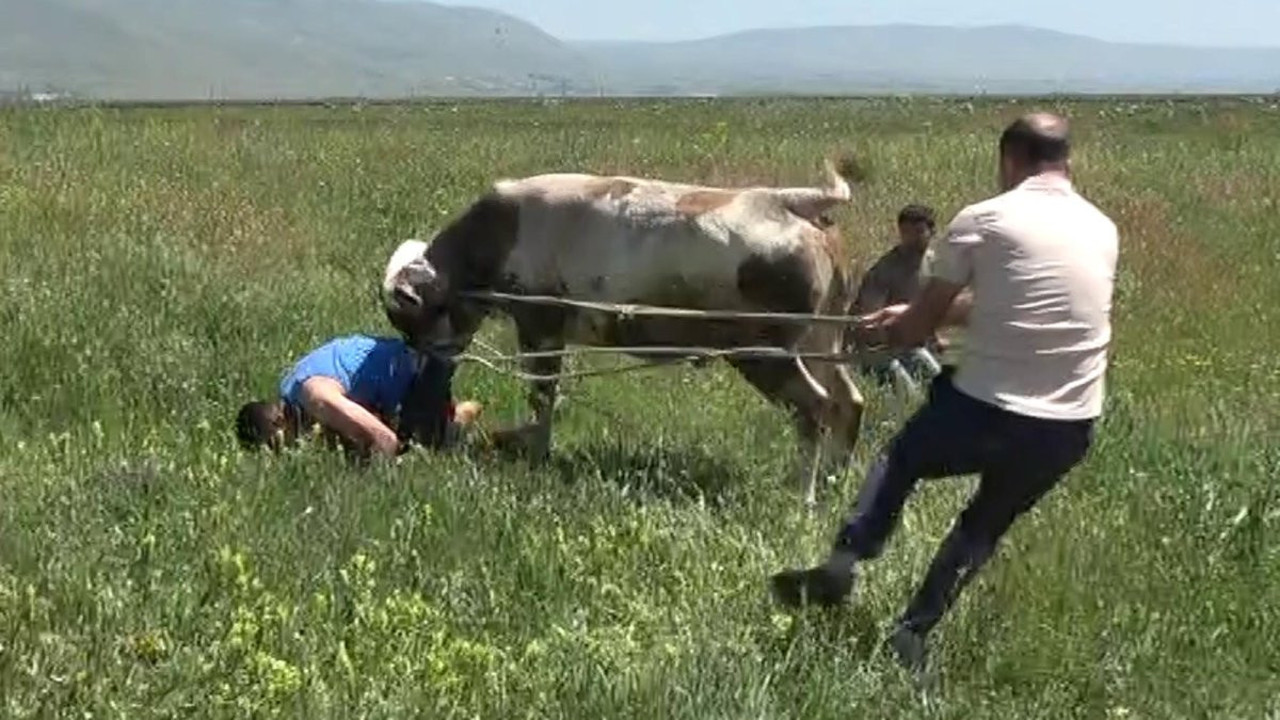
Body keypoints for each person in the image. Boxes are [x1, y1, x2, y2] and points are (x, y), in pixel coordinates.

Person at [769, 112, 1119, 677]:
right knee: (982, 526)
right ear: (1067, 163)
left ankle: (843, 563)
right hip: (1070, 425)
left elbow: (915, 332)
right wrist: (913, 312)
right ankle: (912, 635)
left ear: (1010, 160)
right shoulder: (1103, 227)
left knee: (899, 459)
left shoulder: (984, 219)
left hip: (988, 408)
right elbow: (1002, 302)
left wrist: (892, 326)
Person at [235, 333, 481, 459]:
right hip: (402, 364)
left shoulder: (316, 399)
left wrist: (399, 466)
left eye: (277, 446)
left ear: (280, 423)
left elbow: (384, 439)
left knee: (437, 446)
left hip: (418, 368)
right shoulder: (290, 390)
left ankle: (455, 422)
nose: (285, 452)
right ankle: (449, 416)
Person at [849, 204, 944, 392]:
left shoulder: (935, 265)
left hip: (916, 349)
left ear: (932, 231)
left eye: (918, 232)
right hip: (881, 352)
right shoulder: (884, 271)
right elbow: (869, 323)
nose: (910, 239)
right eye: (905, 233)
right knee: (909, 393)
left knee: (941, 387)